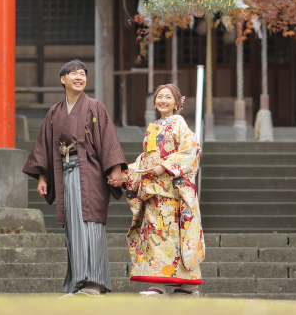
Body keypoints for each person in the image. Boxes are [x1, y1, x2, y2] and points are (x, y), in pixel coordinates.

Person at [22, 59, 127, 296]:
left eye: (83, 74)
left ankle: (95, 282)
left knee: (90, 222)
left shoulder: (95, 107)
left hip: (90, 172)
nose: (79, 77)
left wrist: (116, 169)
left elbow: (108, 139)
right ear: (63, 79)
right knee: (73, 226)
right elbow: (44, 146)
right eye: (73, 74)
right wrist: (42, 176)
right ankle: (77, 282)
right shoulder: (54, 112)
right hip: (64, 174)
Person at [123, 83, 205, 297]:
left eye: (168, 97)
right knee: (155, 235)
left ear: (177, 103)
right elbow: (147, 158)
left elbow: (191, 150)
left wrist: (166, 167)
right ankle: (158, 283)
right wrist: (128, 173)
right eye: (160, 97)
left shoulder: (179, 124)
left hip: (172, 193)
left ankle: (186, 285)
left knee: (176, 236)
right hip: (153, 191)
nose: (163, 100)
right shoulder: (155, 126)